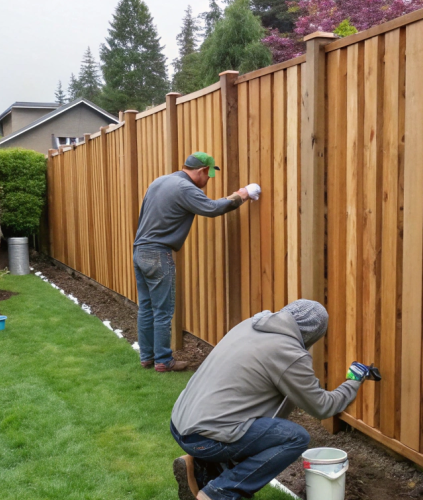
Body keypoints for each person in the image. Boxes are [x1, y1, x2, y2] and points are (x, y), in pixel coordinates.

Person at [169, 300, 377, 500]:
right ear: (313, 334)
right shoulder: (288, 352)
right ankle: (219, 492)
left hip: (181, 423)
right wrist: (354, 380)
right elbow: (323, 407)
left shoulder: (250, 324)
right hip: (204, 438)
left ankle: (201, 468)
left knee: (258, 428)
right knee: (294, 438)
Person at [133, 152, 250, 372]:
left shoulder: (160, 181)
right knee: (162, 310)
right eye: (209, 175)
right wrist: (240, 195)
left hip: (140, 250)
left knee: (146, 307)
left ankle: (147, 357)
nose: (207, 182)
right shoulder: (184, 188)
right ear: (202, 171)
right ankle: (163, 361)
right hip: (158, 253)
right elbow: (212, 208)